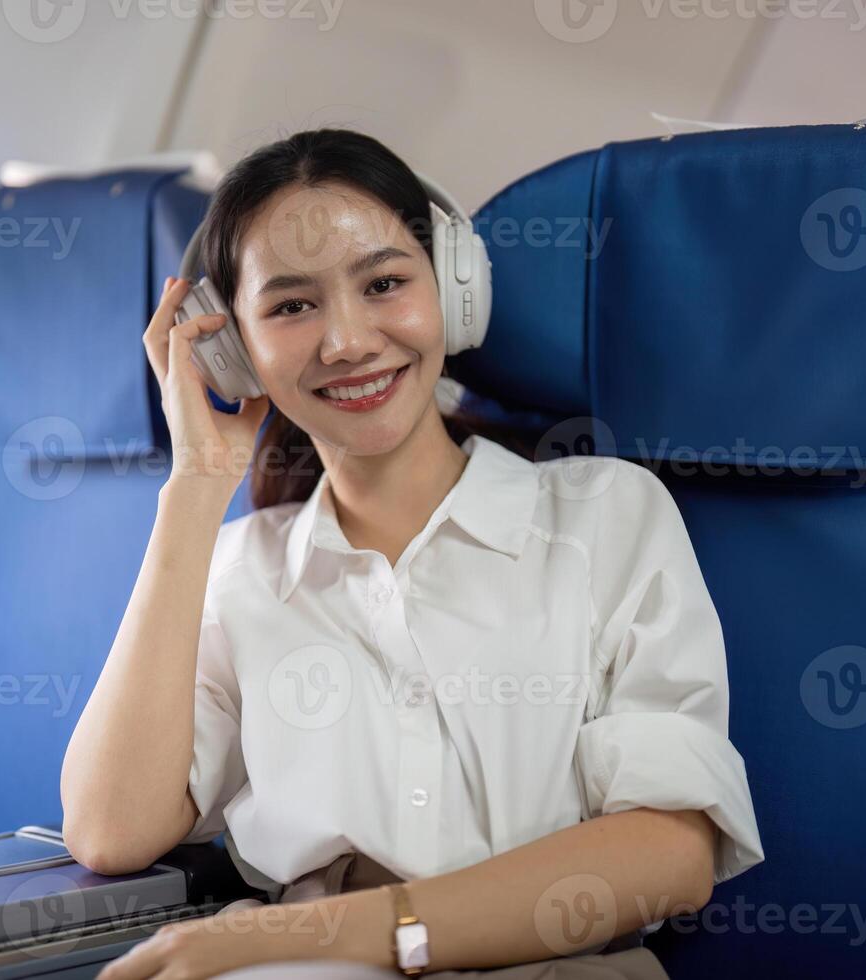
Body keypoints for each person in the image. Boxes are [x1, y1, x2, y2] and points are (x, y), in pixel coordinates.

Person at [60, 128, 764, 979]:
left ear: (456, 292)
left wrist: (311, 935)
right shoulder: (239, 569)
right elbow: (110, 829)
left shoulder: (604, 516)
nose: (348, 341)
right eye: (291, 306)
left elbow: (669, 856)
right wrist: (197, 488)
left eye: (385, 283)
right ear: (231, 349)